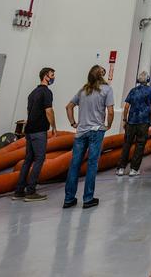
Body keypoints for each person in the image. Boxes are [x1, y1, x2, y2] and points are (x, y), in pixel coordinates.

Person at [63, 65, 114, 209]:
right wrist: (108, 125)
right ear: (101, 75)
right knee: (92, 164)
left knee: (74, 165)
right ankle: (88, 198)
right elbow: (110, 111)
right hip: (96, 131)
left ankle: (69, 198)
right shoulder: (107, 89)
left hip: (81, 132)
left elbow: (68, 107)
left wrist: (73, 123)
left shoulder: (83, 90)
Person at [15, 67, 57, 202]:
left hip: (29, 130)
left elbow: (29, 112)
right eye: (52, 75)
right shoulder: (46, 92)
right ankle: (31, 191)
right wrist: (54, 127)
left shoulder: (32, 93)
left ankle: (19, 191)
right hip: (39, 131)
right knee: (40, 159)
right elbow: (49, 111)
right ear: (45, 76)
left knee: (28, 159)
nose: (53, 78)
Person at [118, 71, 151, 177]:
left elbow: (126, 107)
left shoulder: (133, 90)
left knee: (127, 144)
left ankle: (121, 168)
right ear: (148, 79)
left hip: (131, 122)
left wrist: (125, 120)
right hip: (143, 123)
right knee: (140, 146)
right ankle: (133, 170)